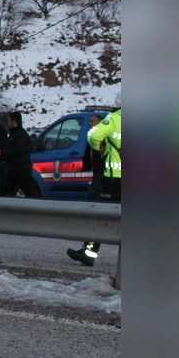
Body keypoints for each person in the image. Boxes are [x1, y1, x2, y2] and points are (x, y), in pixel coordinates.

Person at [68, 106, 121, 266]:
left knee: (101, 217)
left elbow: (93, 135)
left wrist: (100, 149)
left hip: (114, 180)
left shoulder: (113, 119)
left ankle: (89, 252)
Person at [0, 110, 40, 199]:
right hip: (12, 169)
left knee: (27, 190)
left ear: (14, 122)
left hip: (21, 169)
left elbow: (18, 149)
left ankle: (36, 207)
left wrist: (2, 152)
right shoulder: (13, 134)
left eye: (9, 120)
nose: (7, 123)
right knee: (3, 189)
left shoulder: (21, 134)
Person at [83, 114, 105, 201]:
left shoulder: (103, 136)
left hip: (102, 172)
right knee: (92, 191)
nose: (89, 123)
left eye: (92, 121)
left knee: (95, 192)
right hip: (96, 171)